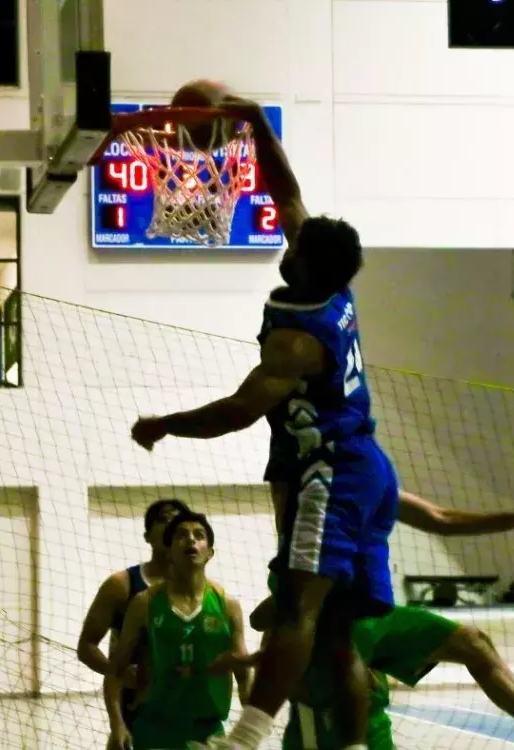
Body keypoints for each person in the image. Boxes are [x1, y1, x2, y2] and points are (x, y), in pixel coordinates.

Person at [132, 94, 396, 750]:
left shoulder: (295, 341)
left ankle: (245, 738)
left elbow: (236, 413)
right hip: (369, 470)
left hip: (331, 472)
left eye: (295, 240)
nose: (288, 232)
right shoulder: (331, 282)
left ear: (305, 261)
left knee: (297, 607)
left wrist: (165, 425)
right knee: (335, 634)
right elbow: (288, 190)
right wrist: (252, 123)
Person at [253, 487, 514, 750]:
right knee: (332, 708)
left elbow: (440, 517)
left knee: (473, 643)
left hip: (371, 613)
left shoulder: (369, 471)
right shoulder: (300, 480)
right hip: (322, 614)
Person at [110, 511, 251, 749]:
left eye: (199, 535)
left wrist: (247, 730)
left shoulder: (228, 606)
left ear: (210, 552)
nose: (191, 539)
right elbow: (115, 672)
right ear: (169, 551)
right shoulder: (145, 603)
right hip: (154, 729)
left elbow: (244, 675)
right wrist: (117, 725)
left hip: (208, 731)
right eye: (181, 535)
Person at [78, 498, 191, 750]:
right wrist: (118, 672)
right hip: (135, 715)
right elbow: (86, 646)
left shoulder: (199, 591)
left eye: (178, 522)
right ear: (147, 536)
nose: (172, 526)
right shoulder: (121, 585)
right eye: (164, 520)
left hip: (184, 714)